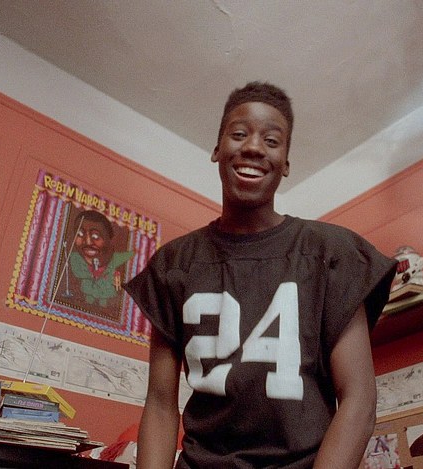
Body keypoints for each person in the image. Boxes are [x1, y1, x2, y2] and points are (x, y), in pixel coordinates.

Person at [124, 81, 397, 468]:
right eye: (239, 134)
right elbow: (160, 404)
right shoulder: (175, 264)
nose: (253, 147)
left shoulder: (330, 254)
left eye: (272, 140)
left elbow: (358, 399)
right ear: (217, 149)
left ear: (285, 163)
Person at [68, 209, 134, 307]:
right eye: (80, 234)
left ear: (110, 240)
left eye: (95, 236)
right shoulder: (74, 259)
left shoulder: (114, 260)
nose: (88, 242)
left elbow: (127, 256)